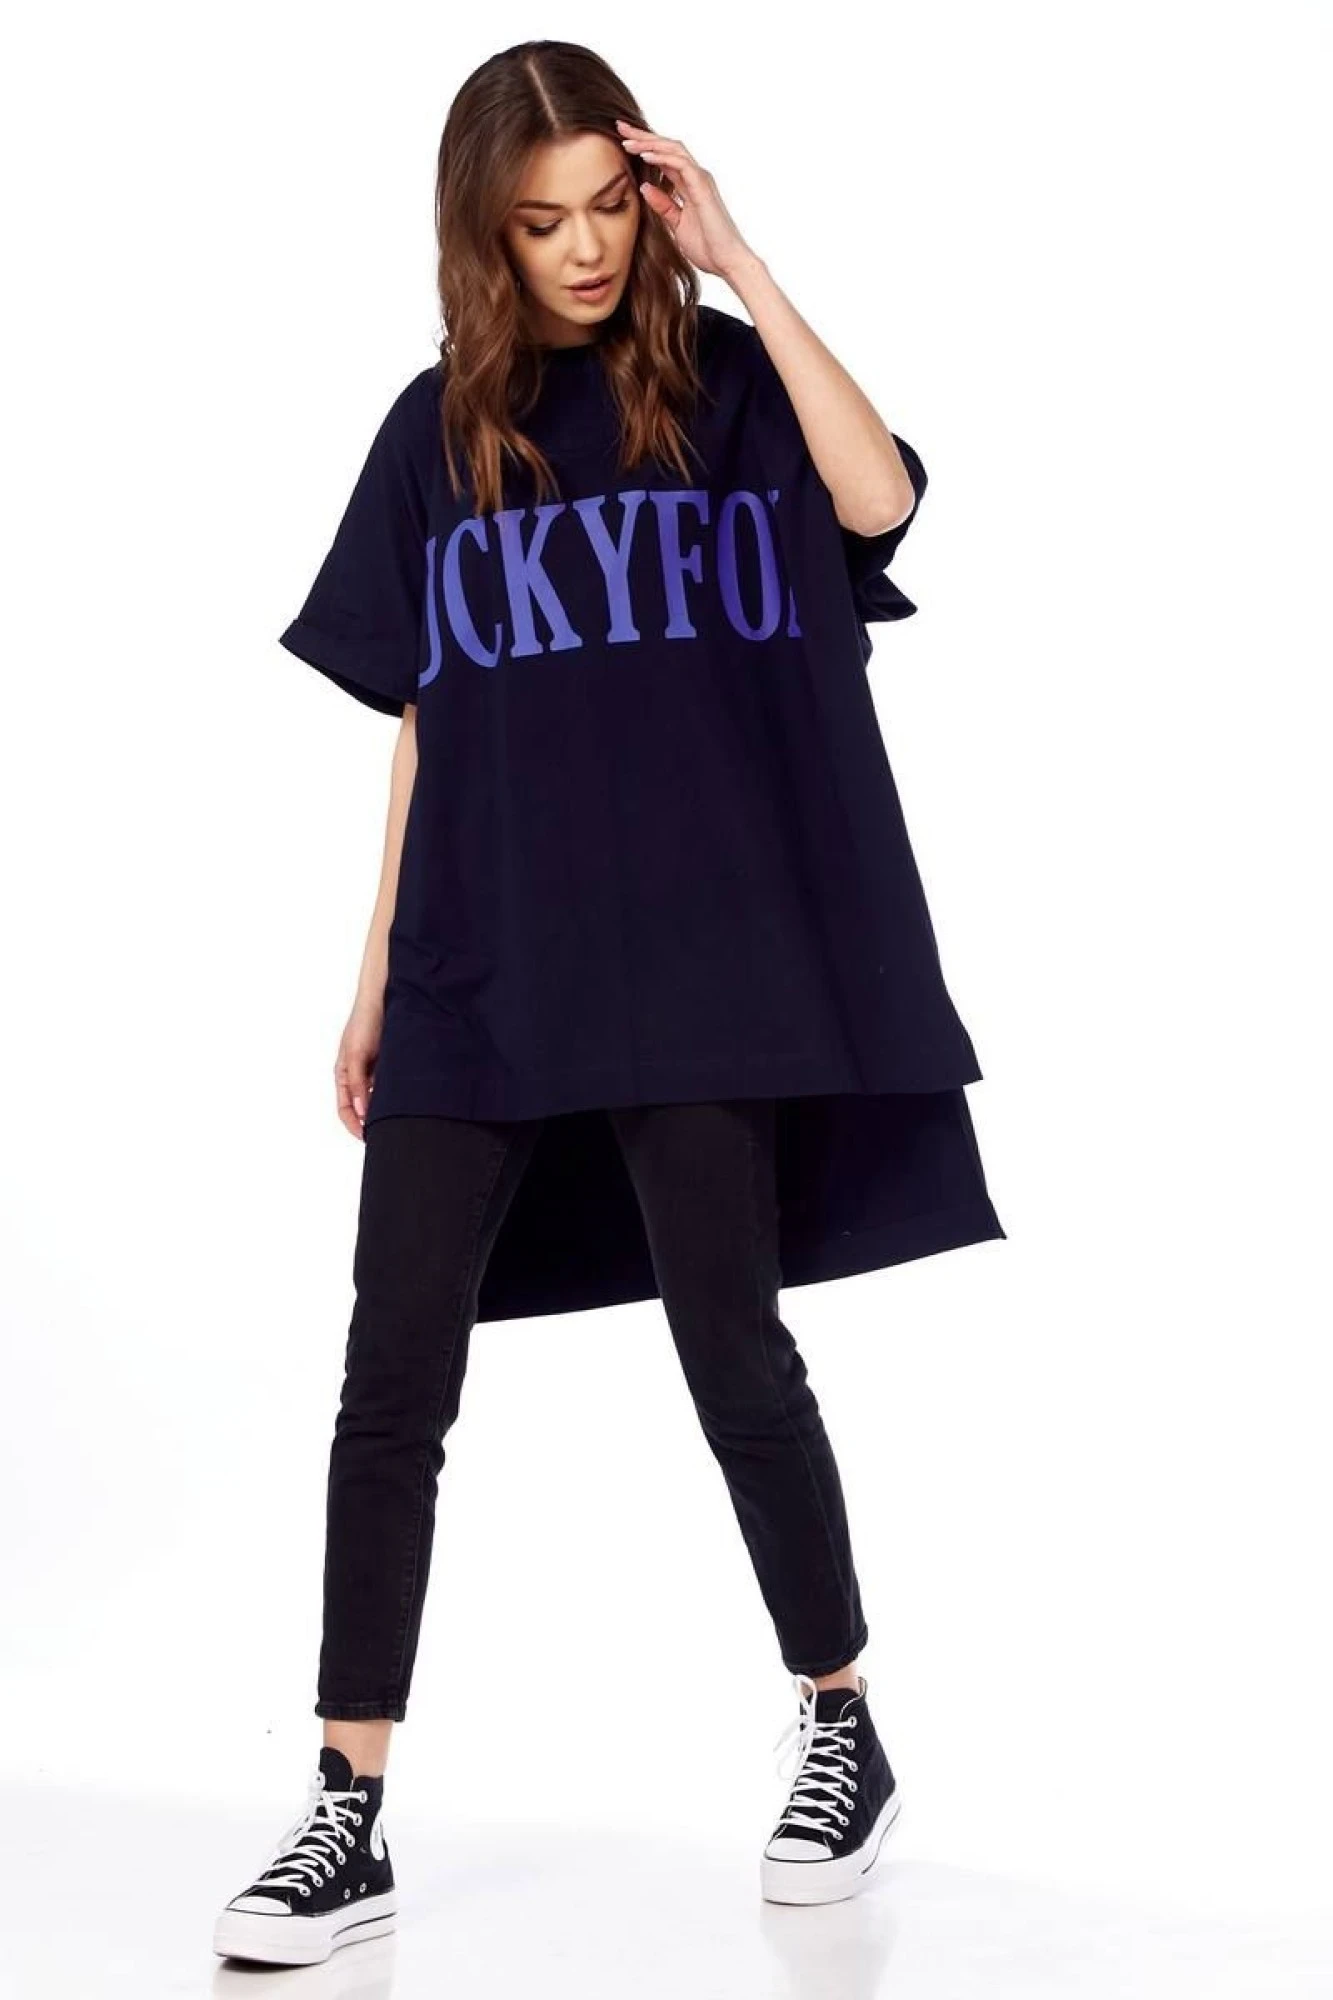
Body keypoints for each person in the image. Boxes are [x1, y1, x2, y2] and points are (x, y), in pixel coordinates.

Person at [213, 37, 1005, 1967]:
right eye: (538, 222)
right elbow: (425, 717)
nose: (581, 250)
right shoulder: (436, 436)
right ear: (483, 235)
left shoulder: (728, 389)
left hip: (701, 959)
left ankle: (841, 1720)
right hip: (481, 956)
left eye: (604, 210)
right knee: (392, 1375)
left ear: (649, 203)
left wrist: (742, 261)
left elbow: (878, 499)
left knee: (733, 1347)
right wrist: (374, 971)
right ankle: (345, 1808)